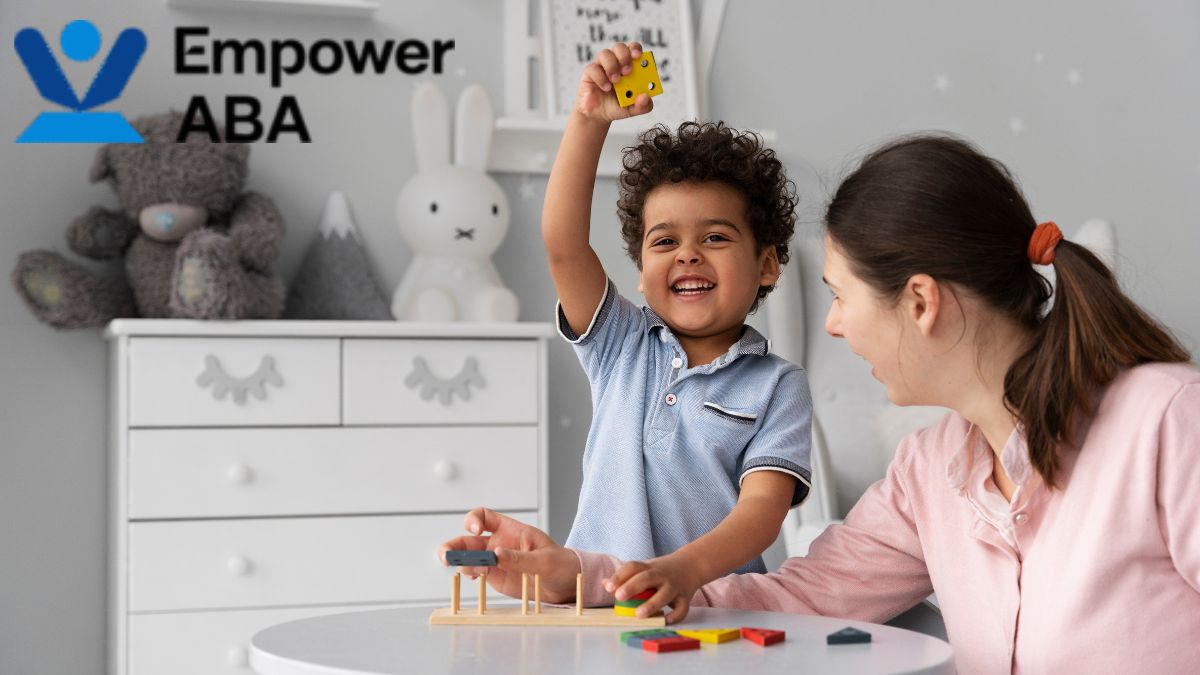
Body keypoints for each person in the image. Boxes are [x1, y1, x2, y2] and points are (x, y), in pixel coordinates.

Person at [441, 134, 1200, 673]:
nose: (832, 325)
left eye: (840, 296)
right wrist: (576, 574)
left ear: (920, 302)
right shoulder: (927, 472)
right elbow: (794, 596)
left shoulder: (1166, 422)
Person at [515, 40, 814, 608]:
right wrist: (588, 122)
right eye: (664, 241)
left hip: (711, 610)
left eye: (716, 237)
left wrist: (680, 572)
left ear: (767, 264)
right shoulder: (620, 344)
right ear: (640, 271)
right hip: (597, 603)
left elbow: (761, 512)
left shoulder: (779, 385)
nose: (688, 254)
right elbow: (563, 243)